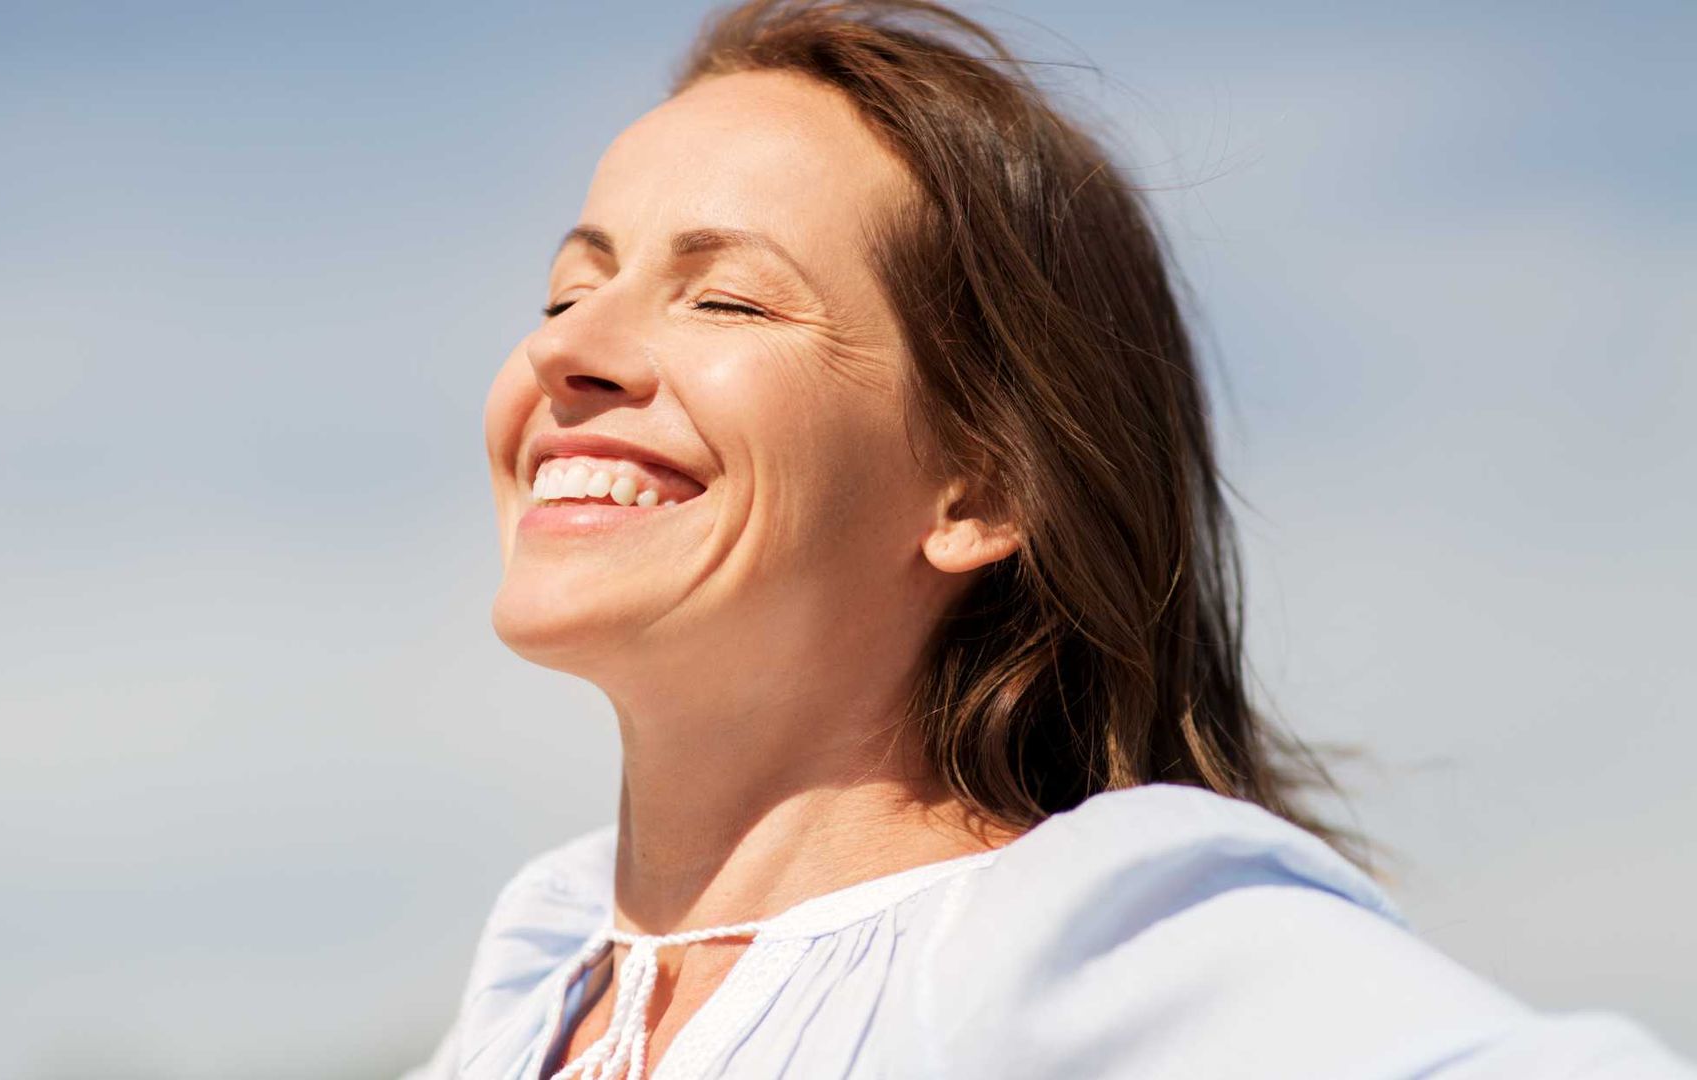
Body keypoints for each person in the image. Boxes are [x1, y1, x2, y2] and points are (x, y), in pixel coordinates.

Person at [407, 1, 1694, 1077]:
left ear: (978, 489)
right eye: (571, 289)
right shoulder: (530, 987)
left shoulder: (1066, 945)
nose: (564, 348)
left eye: (728, 298)